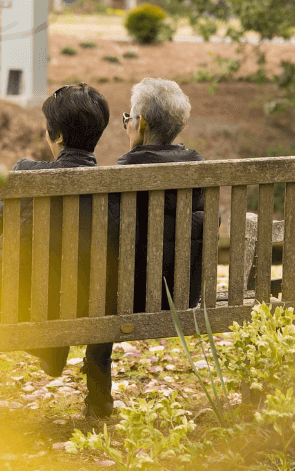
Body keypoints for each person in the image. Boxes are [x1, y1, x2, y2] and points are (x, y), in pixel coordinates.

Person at [0, 82, 110, 391]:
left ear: (57, 136)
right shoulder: (111, 184)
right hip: (87, 301)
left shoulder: (27, 171)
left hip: (21, 301)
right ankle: (93, 392)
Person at [86, 78, 207, 419]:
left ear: (141, 124)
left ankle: (99, 402)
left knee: (101, 293)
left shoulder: (123, 174)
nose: (127, 124)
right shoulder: (199, 169)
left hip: (129, 299)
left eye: (128, 118)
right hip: (184, 295)